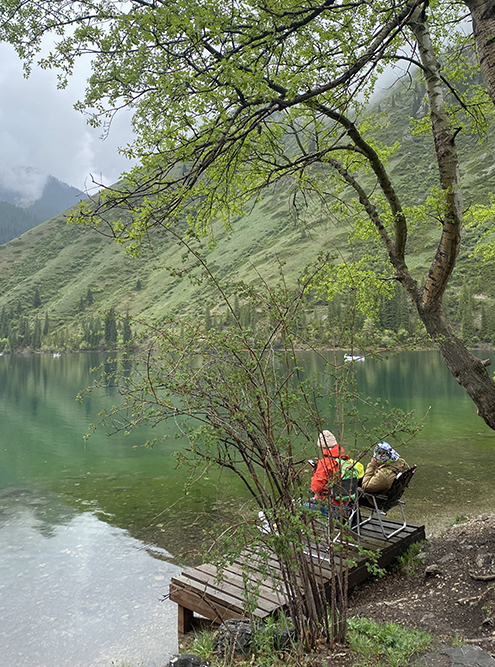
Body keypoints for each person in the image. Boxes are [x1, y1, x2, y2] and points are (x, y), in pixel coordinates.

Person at [308, 430, 363, 518]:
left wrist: (317, 472)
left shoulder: (325, 463)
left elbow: (315, 488)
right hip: (344, 506)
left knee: (298, 507)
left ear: (322, 447)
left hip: (331, 507)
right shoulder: (346, 461)